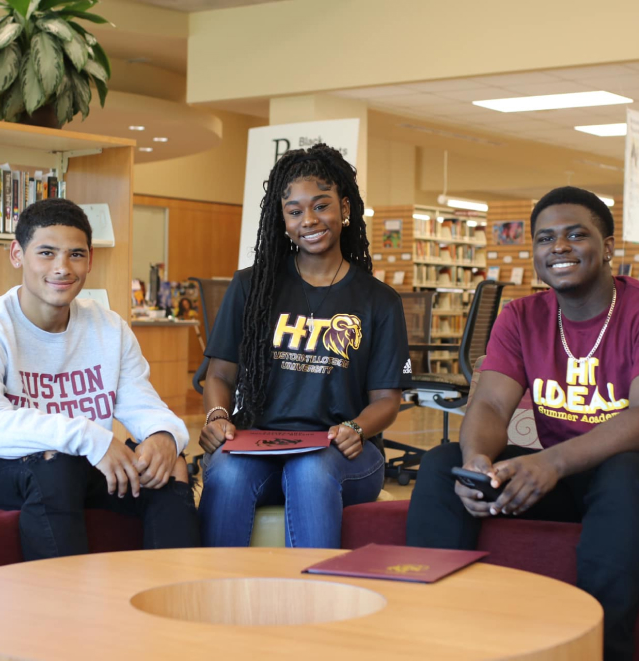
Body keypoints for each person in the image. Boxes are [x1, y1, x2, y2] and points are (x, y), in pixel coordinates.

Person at [405, 186, 639, 661]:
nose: (559, 247)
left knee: (625, 473)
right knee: (443, 465)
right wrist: (477, 460)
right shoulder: (522, 315)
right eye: (545, 238)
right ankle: (431, 634)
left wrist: (551, 462)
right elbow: (491, 404)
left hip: (624, 477)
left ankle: (600, 648)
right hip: (560, 477)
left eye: (576, 235)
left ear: (608, 248)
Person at [0, 198, 200, 560]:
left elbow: (143, 404)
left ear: (90, 260)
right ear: (17, 254)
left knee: (168, 466)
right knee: (56, 465)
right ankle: (66, 596)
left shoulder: (108, 328)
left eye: (76, 254)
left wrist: (164, 435)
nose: (62, 268)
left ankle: (172, 591)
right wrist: (88, 437)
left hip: (76, 464)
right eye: (46, 253)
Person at [198, 143, 409, 548]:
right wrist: (217, 416)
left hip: (341, 452)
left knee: (309, 471)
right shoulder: (251, 287)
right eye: (294, 211)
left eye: (321, 206)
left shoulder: (379, 301)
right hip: (260, 443)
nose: (308, 220)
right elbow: (220, 374)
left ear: (345, 208)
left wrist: (356, 428)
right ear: (283, 220)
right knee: (225, 472)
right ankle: (217, 583)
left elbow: (387, 400)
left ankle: (315, 585)